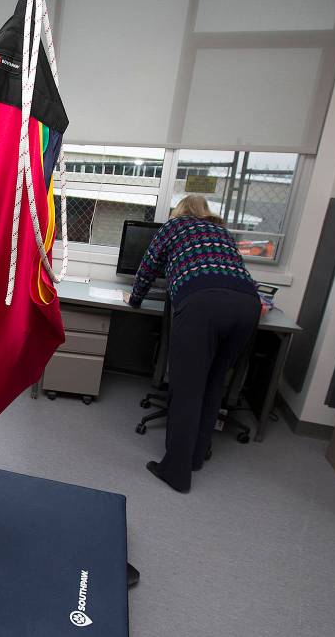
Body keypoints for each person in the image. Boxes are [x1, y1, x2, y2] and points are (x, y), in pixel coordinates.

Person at [123, 195, 271, 493]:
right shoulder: (222, 232)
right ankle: (196, 456)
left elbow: (148, 267)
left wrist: (135, 299)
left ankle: (175, 471)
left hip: (203, 303)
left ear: (180, 211)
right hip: (247, 306)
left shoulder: (174, 227)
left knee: (187, 388)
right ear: (206, 212)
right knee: (214, 382)